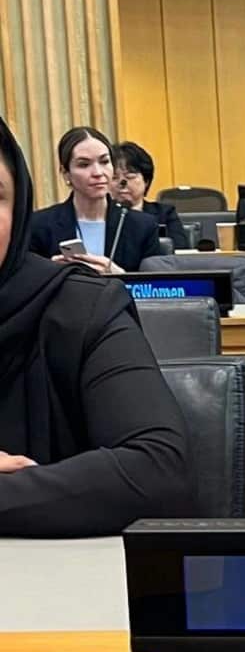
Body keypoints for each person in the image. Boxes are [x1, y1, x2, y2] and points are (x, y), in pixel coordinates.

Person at [0, 117, 194, 536]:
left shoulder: (88, 308)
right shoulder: (47, 224)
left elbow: (157, 470)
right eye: (84, 164)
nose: (98, 172)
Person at [29, 127, 159, 273]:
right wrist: (50, 274)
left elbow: (159, 291)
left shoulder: (143, 226)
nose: (98, 173)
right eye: (84, 164)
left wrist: (121, 277)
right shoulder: (38, 226)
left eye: (104, 162)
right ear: (66, 174)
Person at [111, 141, 188, 249]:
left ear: (146, 180)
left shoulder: (165, 214)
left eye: (130, 176)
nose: (122, 183)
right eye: (114, 177)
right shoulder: (102, 215)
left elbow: (179, 250)